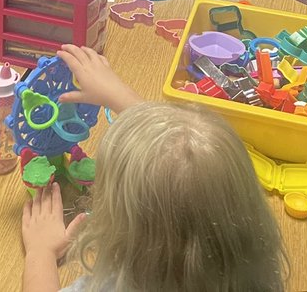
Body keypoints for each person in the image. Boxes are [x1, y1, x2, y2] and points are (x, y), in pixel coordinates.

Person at [20, 45, 287, 292]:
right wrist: (120, 96)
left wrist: (40, 253)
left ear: (125, 236)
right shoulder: (254, 271)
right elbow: (182, 164)